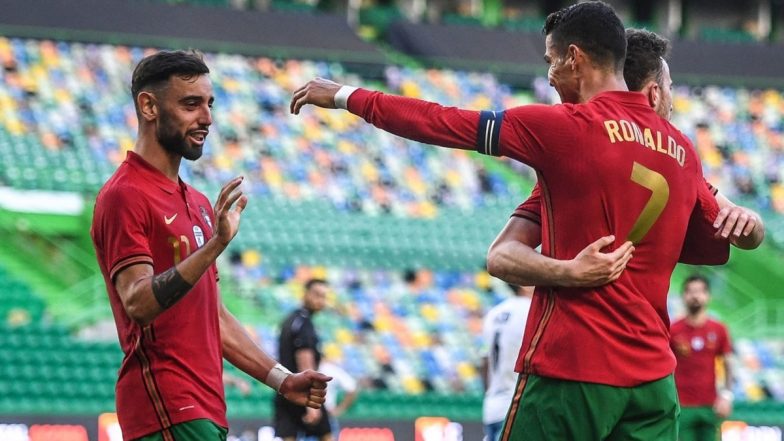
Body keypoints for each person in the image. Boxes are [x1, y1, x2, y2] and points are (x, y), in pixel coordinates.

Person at [289, 2, 737, 438]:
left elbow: (445, 122)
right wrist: (748, 223)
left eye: (550, 60)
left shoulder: (567, 129)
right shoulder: (681, 151)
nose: (548, 74)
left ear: (573, 57)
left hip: (574, 368)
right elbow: (716, 243)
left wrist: (348, 96)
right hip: (654, 382)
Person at [90, 50, 330, 441]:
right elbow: (137, 302)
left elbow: (214, 319)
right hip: (165, 407)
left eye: (209, 104)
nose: (207, 118)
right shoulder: (125, 194)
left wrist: (282, 381)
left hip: (205, 408)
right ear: (148, 106)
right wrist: (214, 246)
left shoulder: (199, 203)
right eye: (191, 104)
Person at [493, 29, 764, 284]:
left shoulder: (676, 158)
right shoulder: (678, 155)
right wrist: (570, 272)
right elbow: (746, 235)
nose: (672, 98)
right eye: (670, 86)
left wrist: (750, 223)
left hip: (623, 329)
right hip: (627, 330)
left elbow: (501, 253)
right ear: (655, 94)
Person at [671, 275, 734, 441]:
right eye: (690, 291)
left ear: (708, 296)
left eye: (700, 291)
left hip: (710, 406)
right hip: (681, 406)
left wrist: (726, 397)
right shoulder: (673, 330)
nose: (695, 296)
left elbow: (728, 364)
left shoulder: (719, 329)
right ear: (683, 296)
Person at [275, 279, 333, 441]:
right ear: (305, 294)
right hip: (303, 388)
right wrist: (312, 401)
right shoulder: (303, 323)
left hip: (283, 386)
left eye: (324, 297)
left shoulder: (290, 320)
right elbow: (304, 357)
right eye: (317, 295)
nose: (321, 300)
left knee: (288, 436)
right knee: (326, 436)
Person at [481, 284, 533, 441]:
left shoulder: (495, 313)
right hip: (518, 408)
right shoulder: (532, 312)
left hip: (492, 407)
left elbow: (484, 362)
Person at [318, 357, 359, 438]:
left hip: (325, 414)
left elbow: (352, 388)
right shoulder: (328, 368)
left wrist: (340, 408)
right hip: (305, 415)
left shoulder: (328, 368)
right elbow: (352, 387)